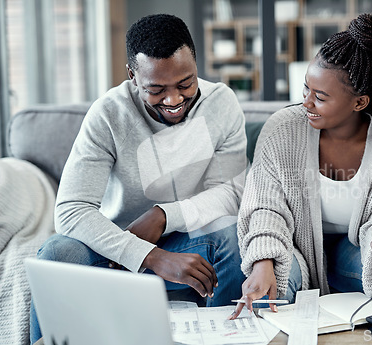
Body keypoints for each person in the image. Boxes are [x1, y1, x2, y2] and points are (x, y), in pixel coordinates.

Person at [30, 13, 247, 343]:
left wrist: (163, 216)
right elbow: (71, 210)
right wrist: (150, 256)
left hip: (186, 239)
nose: (173, 100)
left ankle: (230, 336)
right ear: (133, 76)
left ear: (196, 65)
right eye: (156, 89)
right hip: (114, 248)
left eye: (185, 84)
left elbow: (230, 193)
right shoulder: (108, 114)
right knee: (57, 254)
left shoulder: (222, 104)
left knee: (232, 235)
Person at [230, 13, 372, 319]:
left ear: (359, 103)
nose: (305, 102)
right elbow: (265, 206)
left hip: (355, 248)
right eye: (306, 88)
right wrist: (262, 260)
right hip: (290, 246)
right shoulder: (283, 129)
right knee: (275, 280)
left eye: (319, 97)